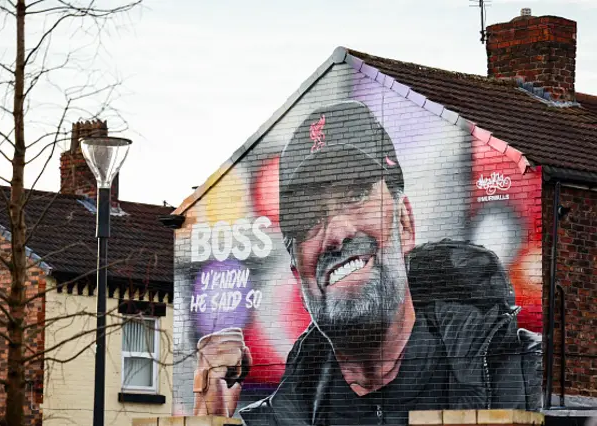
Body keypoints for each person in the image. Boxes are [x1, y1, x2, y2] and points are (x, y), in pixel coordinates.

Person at [192, 101, 542, 425]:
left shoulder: (526, 380)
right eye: (310, 218)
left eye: (356, 196)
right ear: (299, 273)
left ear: (404, 223)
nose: (336, 233)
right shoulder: (279, 418)